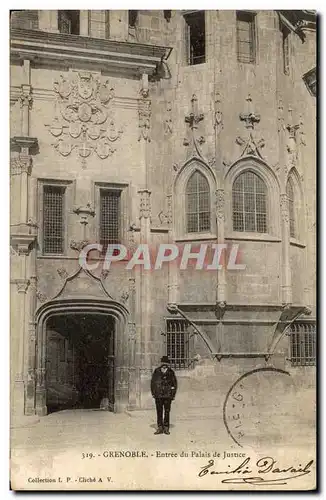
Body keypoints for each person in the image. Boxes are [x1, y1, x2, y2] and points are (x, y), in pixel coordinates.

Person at [151, 356, 177, 435]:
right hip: (158, 395)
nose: (164, 365)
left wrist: (172, 394)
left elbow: (174, 384)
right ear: (161, 364)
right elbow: (153, 383)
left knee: (167, 411)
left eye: (166, 364)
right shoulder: (156, 371)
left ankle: (166, 428)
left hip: (167, 396)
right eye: (163, 364)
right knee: (159, 412)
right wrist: (154, 393)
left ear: (168, 364)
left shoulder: (171, 372)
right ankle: (160, 428)